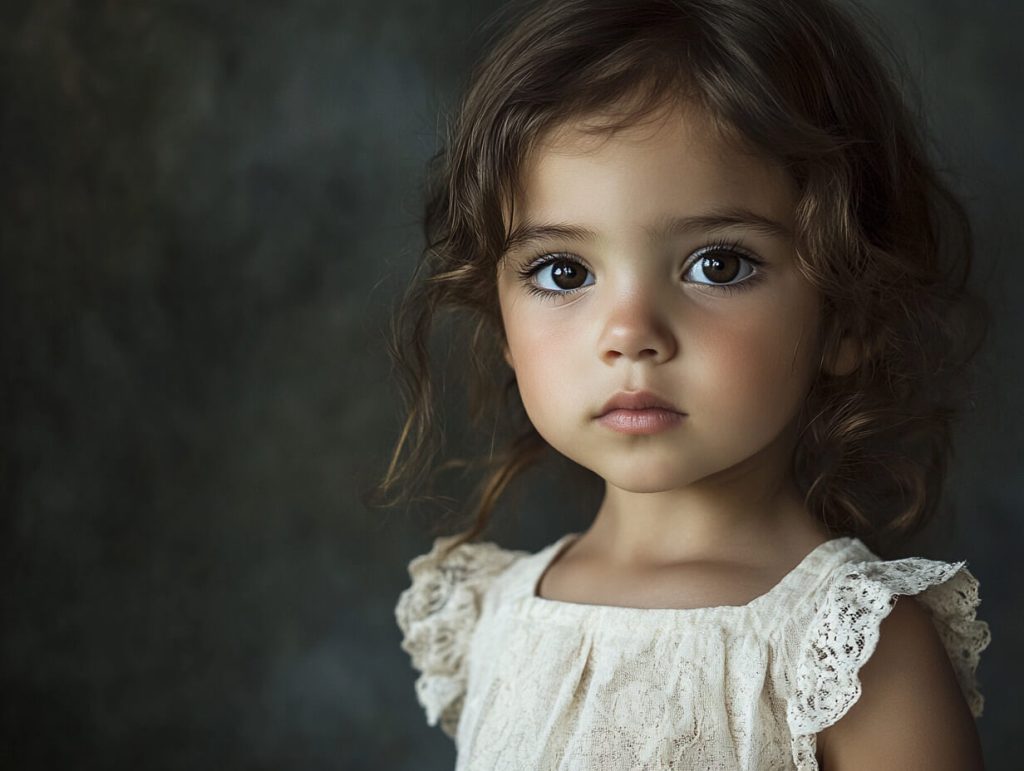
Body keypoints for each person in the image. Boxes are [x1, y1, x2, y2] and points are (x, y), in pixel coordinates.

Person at [377, 0, 993, 767]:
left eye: (719, 264)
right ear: (500, 321)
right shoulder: (493, 615)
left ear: (846, 315)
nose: (630, 331)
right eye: (563, 272)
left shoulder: (853, 651)